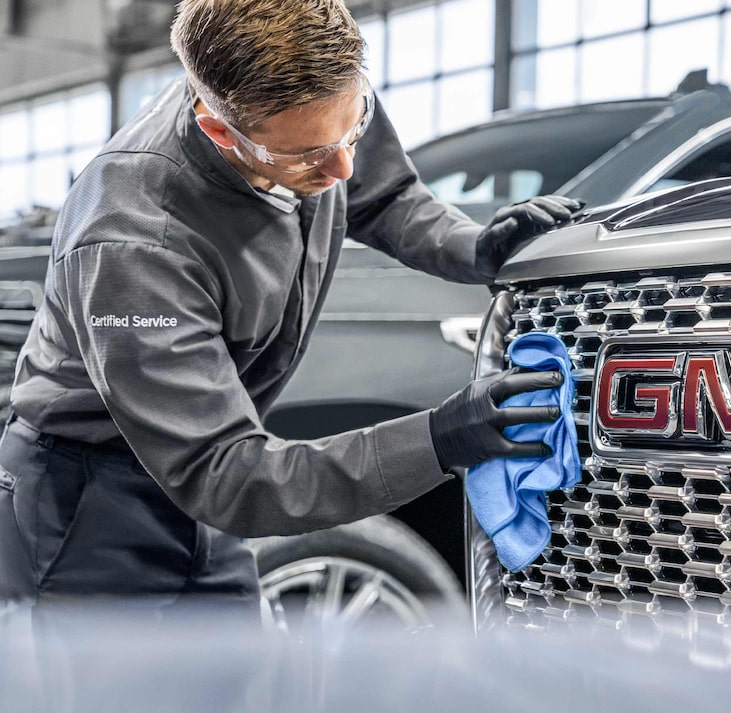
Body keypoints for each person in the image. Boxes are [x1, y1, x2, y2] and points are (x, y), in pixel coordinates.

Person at [0, 0, 578, 615]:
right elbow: (225, 473)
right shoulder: (136, 237)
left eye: (351, 129)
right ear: (220, 131)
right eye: (307, 157)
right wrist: (437, 440)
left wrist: (468, 246)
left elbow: (383, 195)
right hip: (89, 503)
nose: (342, 167)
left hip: (210, 482)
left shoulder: (317, 97)